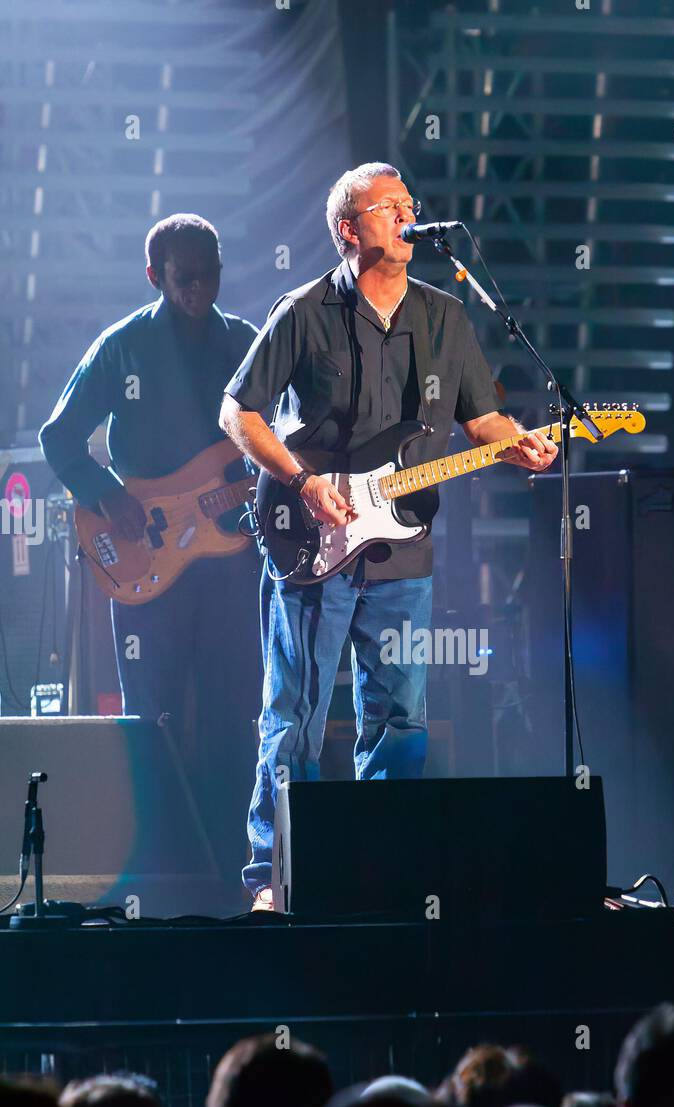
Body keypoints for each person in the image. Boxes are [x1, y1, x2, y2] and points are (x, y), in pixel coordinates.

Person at [219, 162, 558, 908]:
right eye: (387, 207)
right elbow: (238, 412)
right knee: (296, 711)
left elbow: (481, 417)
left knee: (399, 714)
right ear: (350, 231)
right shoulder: (305, 310)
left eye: (409, 204)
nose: (406, 215)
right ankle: (274, 877)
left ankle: (377, 871)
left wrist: (517, 442)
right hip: (312, 540)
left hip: (404, 545)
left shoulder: (444, 317)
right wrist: (304, 484)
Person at [39, 214, 262, 886]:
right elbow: (59, 437)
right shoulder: (123, 346)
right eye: (184, 276)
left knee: (234, 711)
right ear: (154, 276)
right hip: (144, 559)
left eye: (211, 273)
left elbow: (281, 436)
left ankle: (232, 869)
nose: (200, 288)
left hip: (230, 566)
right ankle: (158, 868)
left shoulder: (246, 345)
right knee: (152, 718)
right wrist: (109, 496)